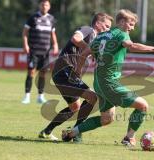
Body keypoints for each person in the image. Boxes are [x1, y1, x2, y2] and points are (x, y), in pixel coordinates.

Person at [61, 9, 154, 147]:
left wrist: (77, 71)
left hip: (99, 84)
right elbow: (132, 46)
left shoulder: (101, 36)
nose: (132, 28)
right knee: (143, 106)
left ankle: (72, 132)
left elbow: (84, 54)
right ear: (122, 22)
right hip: (109, 83)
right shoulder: (121, 34)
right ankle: (129, 138)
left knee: (107, 119)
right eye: (131, 24)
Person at [38, 13, 113, 141]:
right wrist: (90, 49)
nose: (108, 30)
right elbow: (75, 38)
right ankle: (76, 133)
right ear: (97, 24)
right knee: (93, 98)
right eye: (106, 26)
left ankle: (46, 131)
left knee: (75, 108)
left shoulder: (96, 39)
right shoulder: (89, 30)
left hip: (66, 74)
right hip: (64, 70)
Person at [21, 0, 58, 104]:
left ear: (49, 7)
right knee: (31, 71)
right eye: (42, 4)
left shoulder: (51, 19)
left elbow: (53, 33)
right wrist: (25, 45)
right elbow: (25, 32)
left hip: (46, 52)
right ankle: (27, 96)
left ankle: (40, 96)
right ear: (39, 6)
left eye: (46, 5)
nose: (44, 6)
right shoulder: (33, 18)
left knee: (43, 73)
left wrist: (55, 45)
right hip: (34, 51)